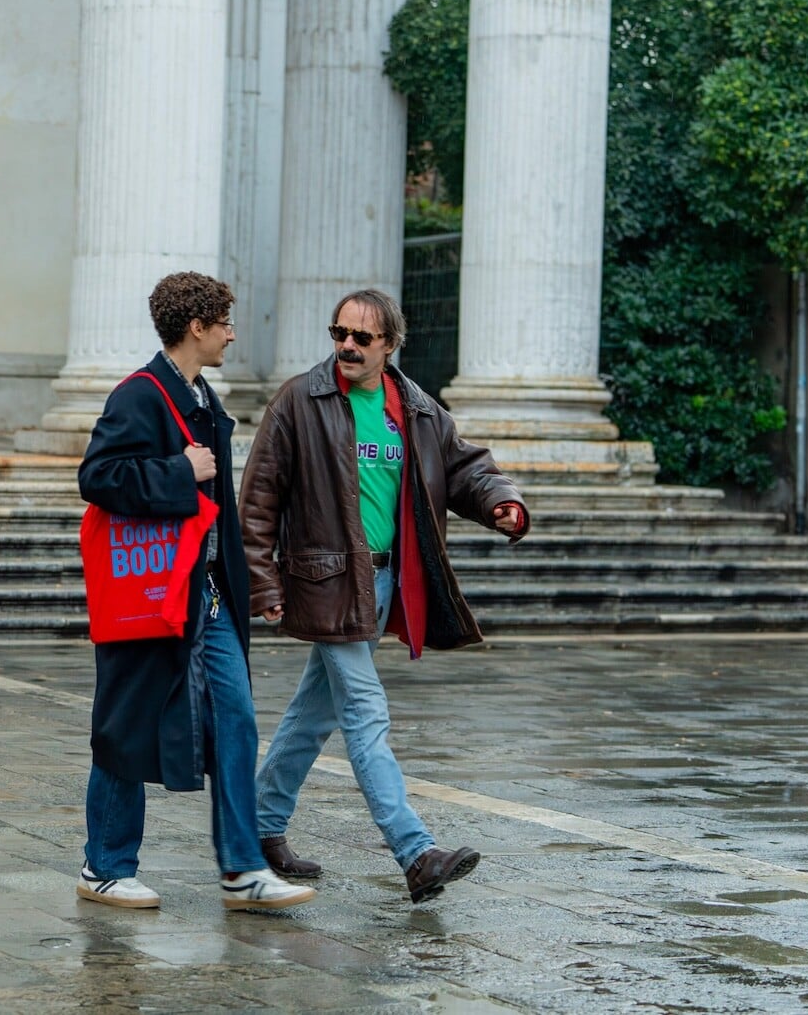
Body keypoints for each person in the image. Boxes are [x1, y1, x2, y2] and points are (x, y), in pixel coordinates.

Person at [239, 288, 528, 903]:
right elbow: (259, 497)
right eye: (338, 333)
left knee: (314, 712)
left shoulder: (416, 408)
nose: (346, 345)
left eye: (361, 337)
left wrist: (501, 502)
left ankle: (257, 827)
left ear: (390, 344)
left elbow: (463, 469)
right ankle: (416, 852)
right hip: (327, 582)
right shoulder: (300, 400)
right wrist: (262, 581)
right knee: (366, 712)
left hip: (388, 580)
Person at [75, 271, 316, 912]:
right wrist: (179, 470)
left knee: (236, 720)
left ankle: (242, 868)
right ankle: (104, 865)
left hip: (205, 594)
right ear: (196, 327)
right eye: (225, 324)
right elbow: (98, 476)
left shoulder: (202, 396)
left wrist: (251, 582)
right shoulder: (140, 394)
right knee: (126, 723)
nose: (232, 335)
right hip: (151, 592)